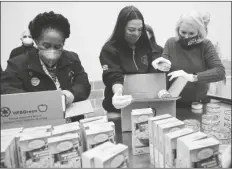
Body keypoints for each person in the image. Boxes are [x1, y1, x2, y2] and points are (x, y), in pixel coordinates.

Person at [1, 11, 91, 107]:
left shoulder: (72, 59)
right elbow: (6, 90)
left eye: (57, 47)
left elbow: (84, 85)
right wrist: (43, 99)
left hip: (71, 118)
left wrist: (71, 94)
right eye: (46, 46)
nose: (52, 51)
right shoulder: (18, 64)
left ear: (63, 44)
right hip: (39, 117)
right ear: (37, 42)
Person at [99, 6, 165, 113]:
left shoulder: (145, 45)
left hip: (143, 103)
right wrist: (118, 92)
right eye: (131, 30)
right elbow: (114, 75)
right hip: (120, 106)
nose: (136, 34)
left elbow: (151, 70)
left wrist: (158, 66)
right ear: (121, 28)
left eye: (140, 30)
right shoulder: (109, 50)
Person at [155, 11, 225, 107]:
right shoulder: (171, 43)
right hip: (173, 103)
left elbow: (220, 72)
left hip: (197, 104)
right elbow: (164, 69)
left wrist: (193, 77)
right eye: (183, 32)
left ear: (199, 32)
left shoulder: (205, 45)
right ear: (178, 29)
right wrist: (160, 65)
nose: (186, 37)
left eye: (191, 33)